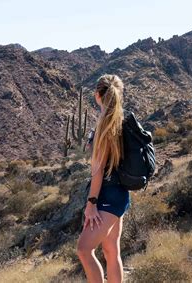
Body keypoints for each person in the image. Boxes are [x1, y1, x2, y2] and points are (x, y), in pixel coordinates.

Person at [77, 74, 131, 283]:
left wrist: (91, 203)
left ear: (97, 96)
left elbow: (97, 170)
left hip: (106, 197)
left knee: (84, 249)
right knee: (111, 251)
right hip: (120, 195)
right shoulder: (121, 123)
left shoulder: (104, 126)